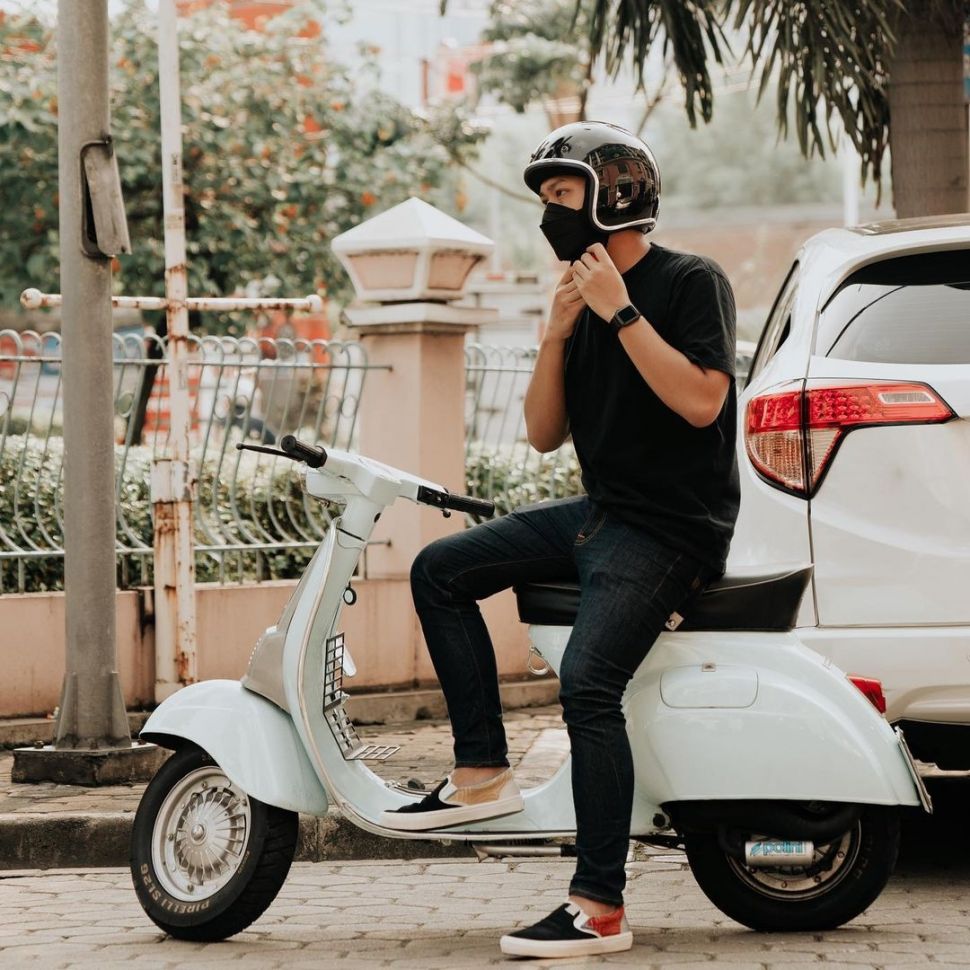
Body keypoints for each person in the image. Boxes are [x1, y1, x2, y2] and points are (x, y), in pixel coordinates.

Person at [381, 120, 740, 959]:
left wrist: (619, 313)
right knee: (440, 570)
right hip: (600, 512)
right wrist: (557, 331)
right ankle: (480, 770)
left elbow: (700, 403)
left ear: (616, 196)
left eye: (564, 197)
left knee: (587, 681)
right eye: (544, 201)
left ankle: (599, 907)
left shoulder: (690, 281)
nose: (551, 217)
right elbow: (544, 433)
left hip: (672, 529)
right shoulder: (577, 307)